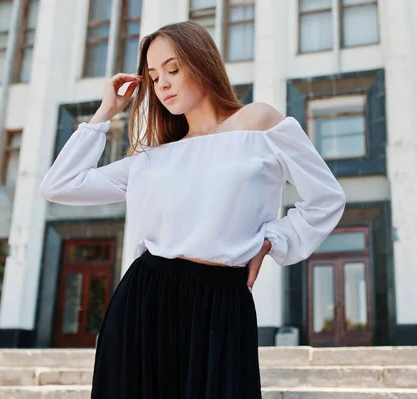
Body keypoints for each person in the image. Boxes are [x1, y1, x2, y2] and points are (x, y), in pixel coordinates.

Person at [40, 21, 346, 399]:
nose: (163, 84)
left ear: (201, 63)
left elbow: (326, 198)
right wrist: (106, 112)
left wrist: (273, 241)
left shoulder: (260, 124)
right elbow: (58, 185)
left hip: (222, 302)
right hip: (144, 298)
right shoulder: (153, 157)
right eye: (153, 77)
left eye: (173, 69)